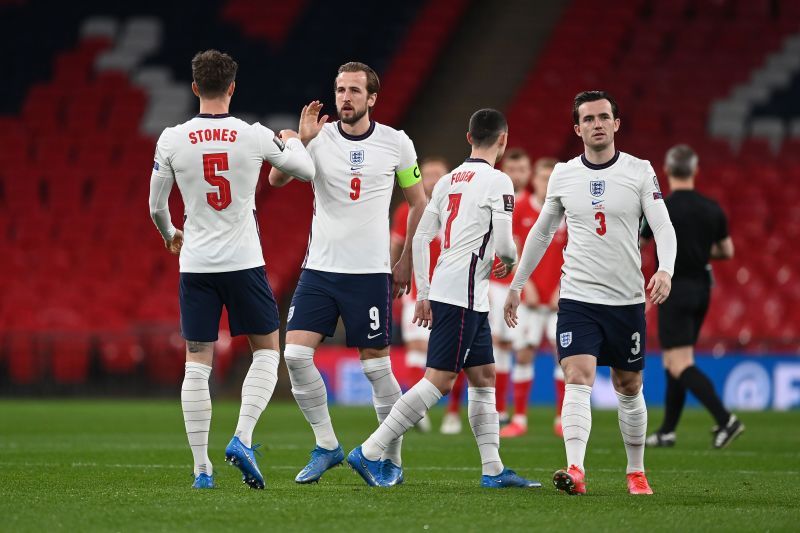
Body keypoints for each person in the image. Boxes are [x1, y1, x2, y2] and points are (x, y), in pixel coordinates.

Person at [347, 108, 540, 489]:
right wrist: (509, 261)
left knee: (484, 376)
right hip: (465, 291)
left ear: (469, 138)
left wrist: (424, 290)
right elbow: (504, 244)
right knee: (439, 379)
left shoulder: (449, 180)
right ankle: (369, 450)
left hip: (459, 290)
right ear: (503, 139)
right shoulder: (499, 181)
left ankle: (493, 469)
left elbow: (420, 237)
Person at [148, 50, 315, 490]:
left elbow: (156, 206)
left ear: (195, 88)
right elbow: (306, 170)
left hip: (197, 264)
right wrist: (295, 139)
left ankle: (202, 468)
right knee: (266, 351)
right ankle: (242, 437)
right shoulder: (252, 134)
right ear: (233, 88)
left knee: (197, 361)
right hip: (244, 262)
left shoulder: (171, 139)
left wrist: (171, 232)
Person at [504, 90, 677, 496]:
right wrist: (516, 284)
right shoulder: (564, 174)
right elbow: (542, 232)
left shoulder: (639, 171)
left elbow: (663, 226)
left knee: (628, 385)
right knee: (577, 376)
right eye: (588, 118)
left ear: (616, 124)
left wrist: (665, 269)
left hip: (626, 300)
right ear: (577, 128)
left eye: (604, 117)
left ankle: (636, 471)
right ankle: (575, 469)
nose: (597, 124)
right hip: (579, 298)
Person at [268, 62, 427, 486]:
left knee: (376, 367)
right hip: (319, 269)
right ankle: (327, 445)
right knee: (296, 356)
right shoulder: (318, 139)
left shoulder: (396, 143)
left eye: (355, 91)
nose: (345, 98)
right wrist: (300, 142)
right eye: (340, 90)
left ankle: (389, 458)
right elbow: (276, 178)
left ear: (372, 98)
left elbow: (419, 203)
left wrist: (407, 259)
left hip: (370, 272)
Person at [643, 144, 743, 449]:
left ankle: (726, 420)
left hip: (674, 287)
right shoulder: (712, 208)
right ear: (696, 171)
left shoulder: (662, 207)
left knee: (678, 361)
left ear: (667, 171)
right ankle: (668, 431)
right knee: (675, 359)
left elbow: (638, 241)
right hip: (702, 288)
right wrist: (699, 250)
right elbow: (727, 251)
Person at [500, 156, 567, 439]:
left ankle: (562, 419)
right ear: (534, 180)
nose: (546, 183)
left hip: (559, 299)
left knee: (564, 357)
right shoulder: (521, 208)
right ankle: (520, 418)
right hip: (529, 298)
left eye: (551, 178)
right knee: (523, 352)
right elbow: (513, 251)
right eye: (542, 177)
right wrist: (523, 285)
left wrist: (561, 289)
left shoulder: (569, 211)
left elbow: (576, 254)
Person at [390, 156, 449, 433]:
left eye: (439, 173)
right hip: (416, 288)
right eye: (428, 174)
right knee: (416, 348)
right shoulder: (408, 210)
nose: (434, 179)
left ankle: (452, 413)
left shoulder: (457, 207)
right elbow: (397, 244)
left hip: (450, 290)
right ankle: (418, 410)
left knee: (450, 354)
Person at [483, 148, 531, 431]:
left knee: (522, 348)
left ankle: (520, 415)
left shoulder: (538, 205)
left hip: (524, 286)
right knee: (498, 345)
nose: (516, 175)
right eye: (511, 170)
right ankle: (500, 410)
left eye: (522, 169)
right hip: (497, 284)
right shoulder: (495, 199)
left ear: (529, 172)